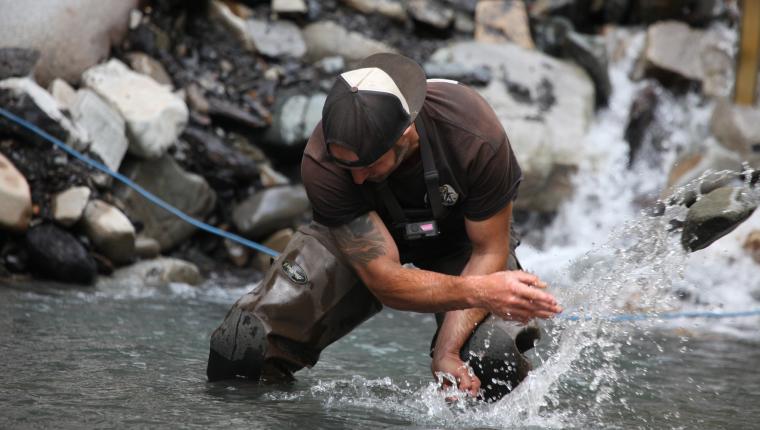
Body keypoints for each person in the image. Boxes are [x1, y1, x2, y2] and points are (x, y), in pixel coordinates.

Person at [207, 53, 562, 401]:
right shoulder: (324, 161)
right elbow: (386, 282)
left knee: (493, 357)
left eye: (368, 164)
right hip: (358, 242)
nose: (357, 178)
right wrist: (481, 292)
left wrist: (447, 351)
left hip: (463, 245)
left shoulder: (473, 133)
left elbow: (488, 250)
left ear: (406, 135)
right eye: (347, 167)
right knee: (242, 344)